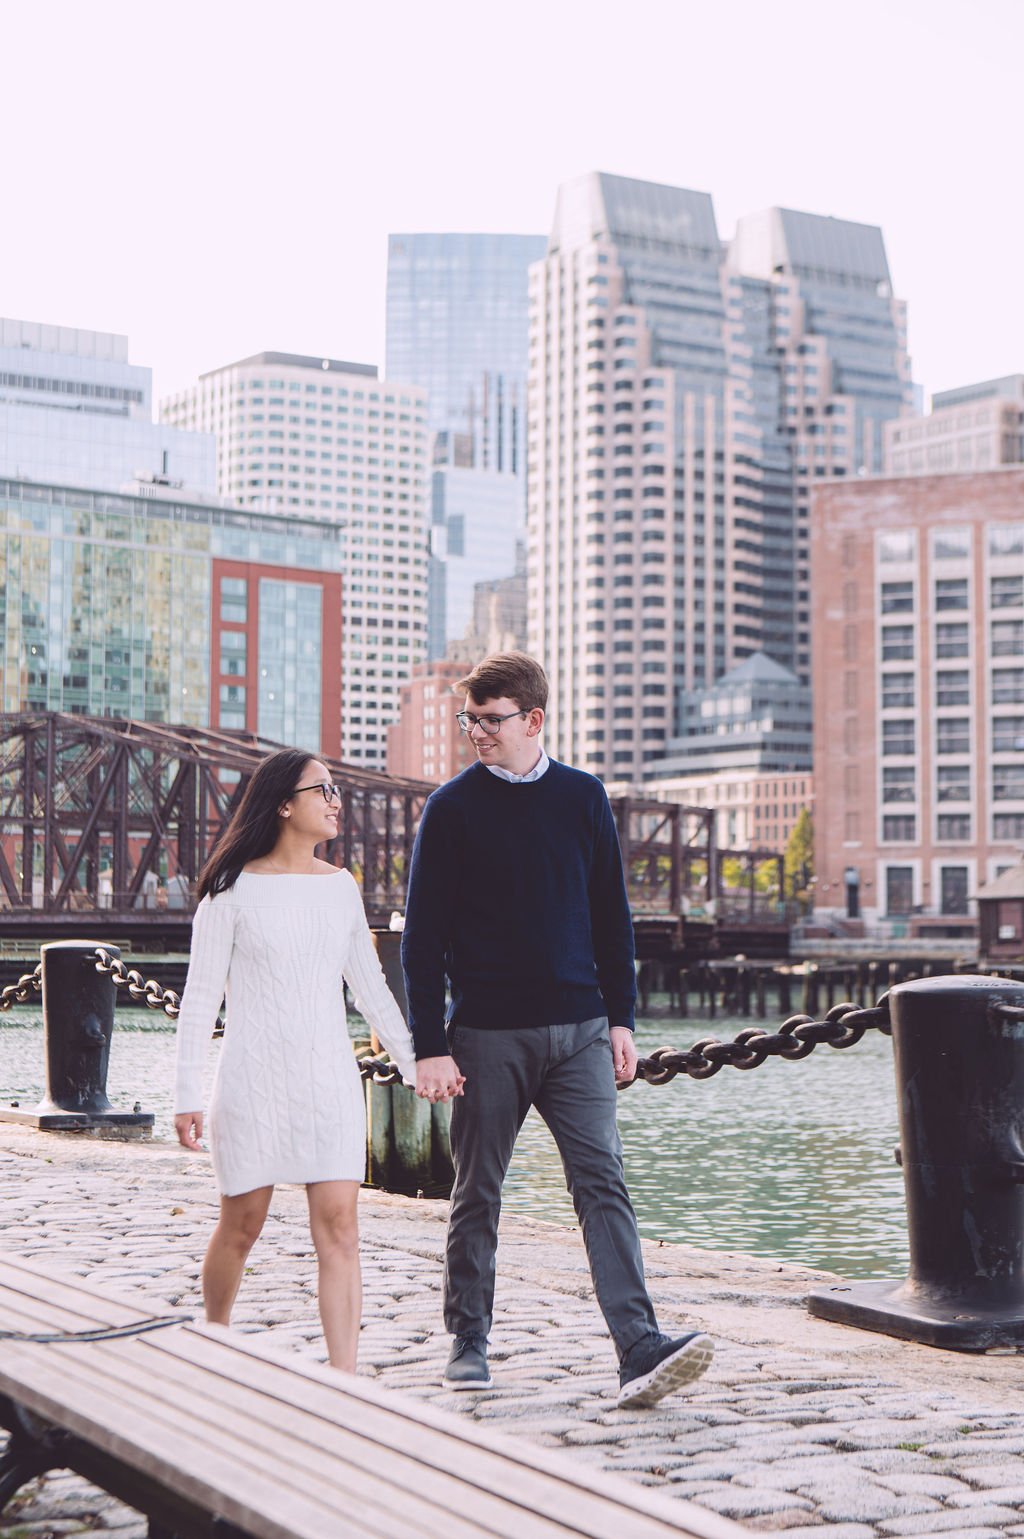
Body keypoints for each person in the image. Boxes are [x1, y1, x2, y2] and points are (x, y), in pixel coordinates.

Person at [401, 652, 713, 1408]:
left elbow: (611, 918)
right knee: (478, 1189)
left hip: (579, 1031)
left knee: (603, 1182)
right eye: (468, 718)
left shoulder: (583, 797)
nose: (476, 730)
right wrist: (430, 1043)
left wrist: (622, 1020)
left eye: (490, 718)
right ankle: (468, 1338)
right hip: (486, 1035)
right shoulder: (450, 808)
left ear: (533, 720)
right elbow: (422, 939)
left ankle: (638, 1346)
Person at [174, 748, 418, 1373]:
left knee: (340, 1228)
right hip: (253, 1083)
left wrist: (418, 1066)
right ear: (284, 804)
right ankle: (213, 1337)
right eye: (323, 790)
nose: (336, 801)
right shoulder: (229, 893)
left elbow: (371, 991)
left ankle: (345, 1380)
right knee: (242, 1225)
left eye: (337, 790)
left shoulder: (340, 889)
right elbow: (200, 999)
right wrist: (186, 1095)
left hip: (328, 1083)